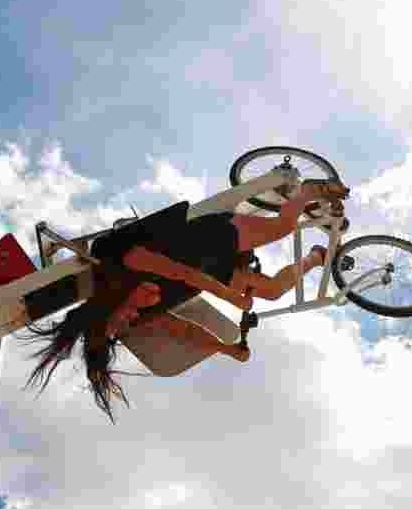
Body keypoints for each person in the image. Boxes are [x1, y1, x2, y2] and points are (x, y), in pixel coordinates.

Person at [18, 178, 349, 422]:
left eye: (114, 324)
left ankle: (309, 190)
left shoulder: (119, 268)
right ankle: (316, 257)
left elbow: (182, 273)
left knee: (281, 228)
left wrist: (229, 296)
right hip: (213, 265)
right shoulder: (141, 318)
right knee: (273, 290)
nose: (124, 324)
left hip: (208, 237)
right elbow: (185, 331)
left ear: (104, 311)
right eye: (118, 332)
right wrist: (226, 348)